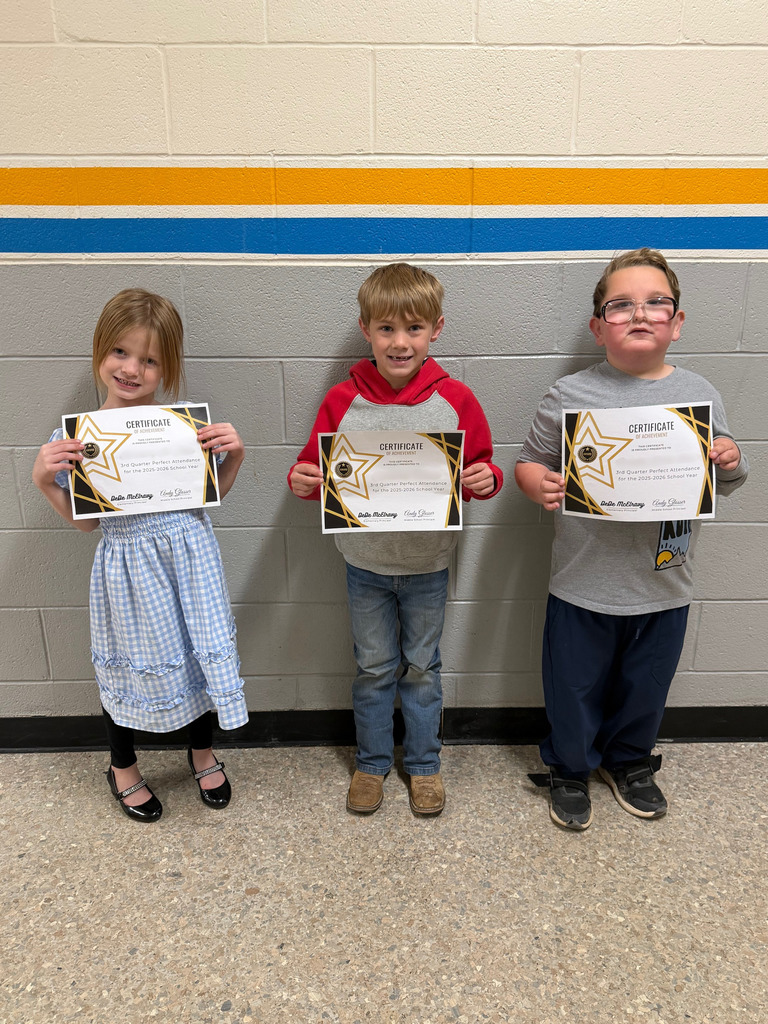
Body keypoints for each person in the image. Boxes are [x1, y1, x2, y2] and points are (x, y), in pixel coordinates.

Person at [515, 248, 748, 830]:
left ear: (677, 321)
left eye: (655, 303)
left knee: (647, 685)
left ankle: (630, 763)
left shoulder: (700, 393)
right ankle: (570, 768)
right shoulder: (568, 395)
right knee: (573, 686)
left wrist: (730, 459)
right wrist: (538, 484)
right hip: (583, 580)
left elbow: (727, 479)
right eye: (620, 305)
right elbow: (528, 462)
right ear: (598, 327)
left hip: (665, 582)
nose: (639, 314)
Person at [288, 263, 503, 816]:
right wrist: (302, 480)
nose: (399, 342)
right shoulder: (342, 401)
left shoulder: (455, 400)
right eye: (386, 328)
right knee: (374, 668)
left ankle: (425, 765)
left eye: (413, 328)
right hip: (364, 564)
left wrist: (487, 478)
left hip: (429, 564)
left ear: (436, 330)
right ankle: (372, 763)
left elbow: (479, 468)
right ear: (366, 330)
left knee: (423, 668)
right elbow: (315, 470)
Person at [33, 289, 248, 822]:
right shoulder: (78, 436)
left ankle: (202, 751)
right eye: (120, 352)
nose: (132, 369)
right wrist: (44, 480)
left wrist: (234, 457)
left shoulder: (183, 428)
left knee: (198, 653)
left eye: (149, 360)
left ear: (167, 367)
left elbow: (208, 498)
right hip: (128, 570)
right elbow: (87, 522)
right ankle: (122, 765)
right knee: (126, 669)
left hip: (191, 562)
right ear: (100, 351)